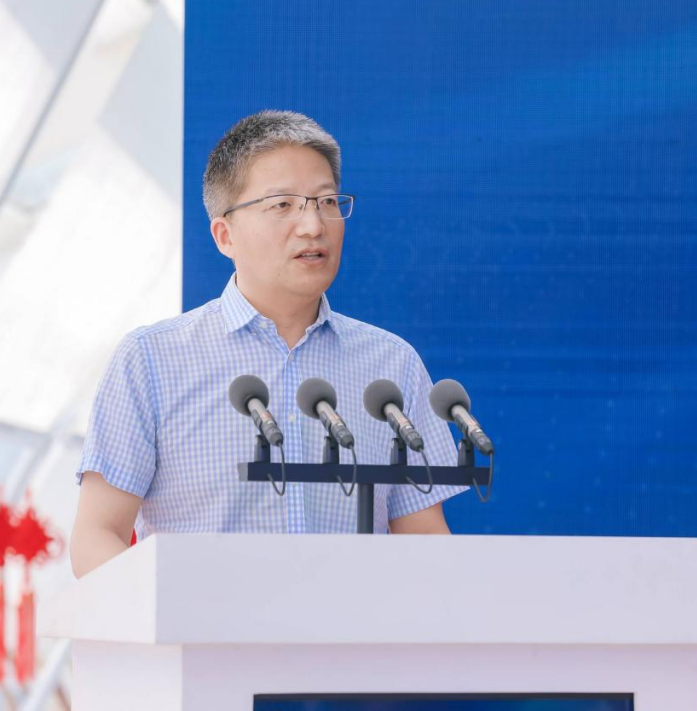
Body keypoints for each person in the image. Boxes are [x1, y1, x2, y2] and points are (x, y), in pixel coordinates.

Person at [70, 110, 464, 578]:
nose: (313, 225)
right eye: (282, 205)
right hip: (202, 624)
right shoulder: (151, 361)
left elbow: (425, 539)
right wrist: (167, 610)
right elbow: (96, 536)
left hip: (352, 625)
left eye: (326, 201)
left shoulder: (392, 367)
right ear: (225, 235)